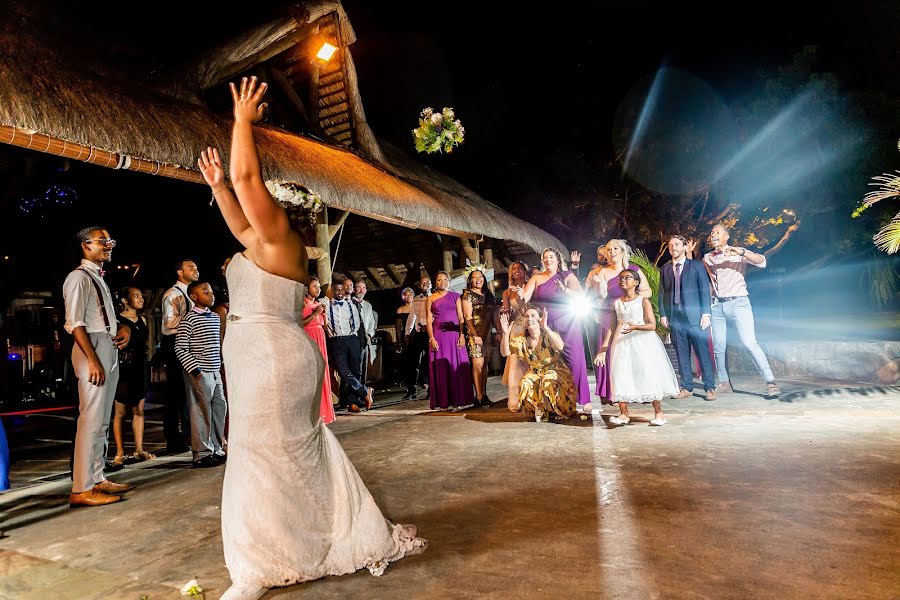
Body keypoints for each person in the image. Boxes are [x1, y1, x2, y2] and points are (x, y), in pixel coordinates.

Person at [198, 76, 424, 599]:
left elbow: (245, 171)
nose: (251, 204)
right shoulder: (267, 241)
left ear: (279, 209)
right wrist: (218, 189)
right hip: (273, 358)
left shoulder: (279, 237)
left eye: (261, 199)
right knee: (281, 453)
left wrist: (242, 123)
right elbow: (238, 213)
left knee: (264, 455)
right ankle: (304, 539)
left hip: (274, 363)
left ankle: (265, 559)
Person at [63, 227, 134, 507]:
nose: (108, 245)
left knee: (102, 420)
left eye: (110, 241)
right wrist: (92, 358)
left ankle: (96, 477)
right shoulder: (78, 278)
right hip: (89, 347)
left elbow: (104, 316)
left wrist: (123, 328)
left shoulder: (98, 277)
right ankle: (81, 488)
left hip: (106, 345)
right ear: (85, 245)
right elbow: (75, 323)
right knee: (90, 420)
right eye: (102, 241)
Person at [703, 224, 780, 397]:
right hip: (717, 305)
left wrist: (742, 252)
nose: (713, 234)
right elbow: (711, 282)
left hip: (738, 303)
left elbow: (762, 262)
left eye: (717, 232)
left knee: (749, 342)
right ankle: (724, 382)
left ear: (726, 236)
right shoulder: (707, 257)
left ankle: (771, 382)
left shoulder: (738, 252)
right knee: (718, 346)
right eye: (712, 232)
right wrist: (707, 308)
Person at [595, 269, 678, 426]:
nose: (623, 280)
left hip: (642, 342)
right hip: (621, 343)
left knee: (646, 373)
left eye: (628, 277)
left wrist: (635, 327)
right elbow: (611, 328)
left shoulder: (643, 301)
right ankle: (624, 414)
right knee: (620, 373)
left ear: (636, 282)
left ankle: (659, 413)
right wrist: (603, 349)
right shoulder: (616, 303)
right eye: (621, 278)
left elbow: (652, 325)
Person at [585, 239, 651, 408]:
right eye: (609, 249)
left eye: (615, 248)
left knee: (636, 353)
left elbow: (648, 291)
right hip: (610, 316)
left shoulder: (634, 270)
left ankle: (641, 389)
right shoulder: (603, 272)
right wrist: (599, 284)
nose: (612, 251)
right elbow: (601, 295)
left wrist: (631, 299)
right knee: (611, 354)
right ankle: (614, 392)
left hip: (632, 316)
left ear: (622, 251)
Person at [523, 248, 590, 409]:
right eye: (545, 258)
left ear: (558, 259)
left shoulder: (566, 276)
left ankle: (583, 398)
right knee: (552, 361)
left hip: (568, 322)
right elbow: (524, 298)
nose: (548, 260)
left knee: (574, 359)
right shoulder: (536, 278)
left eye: (551, 257)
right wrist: (520, 294)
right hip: (547, 323)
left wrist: (565, 290)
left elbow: (580, 295)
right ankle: (558, 399)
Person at [175, 281, 228, 468]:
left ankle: (216, 447)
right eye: (205, 292)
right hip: (200, 372)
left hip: (215, 371)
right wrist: (195, 370)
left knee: (219, 409)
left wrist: (220, 364)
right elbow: (180, 347)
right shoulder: (189, 319)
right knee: (200, 412)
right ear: (194, 297)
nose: (211, 294)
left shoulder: (214, 317)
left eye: (211, 291)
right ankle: (201, 453)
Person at [659, 235, 717, 400]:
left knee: (702, 352)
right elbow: (662, 292)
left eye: (677, 244)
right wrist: (663, 314)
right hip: (676, 318)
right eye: (670, 245)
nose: (673, 248)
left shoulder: (697, 266)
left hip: (695, 317)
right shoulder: (666, 269)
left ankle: (710, 387)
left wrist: (706, 313)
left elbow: (704, 290)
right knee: (681, 354)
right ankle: (686, 387)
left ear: (685, 247)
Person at [499, 306, 576, 421]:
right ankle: (540, 409)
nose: (529, 318)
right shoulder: (522, 340)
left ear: (540, 319)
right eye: (527, 316)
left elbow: (560, 346)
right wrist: (505, 334)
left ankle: (559, 409)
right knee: (525, 382)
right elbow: (505, 353)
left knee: (548, 380)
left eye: (533, 316)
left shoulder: (547, 334)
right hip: (535, 372)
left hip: (555, 370)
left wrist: (545, 327)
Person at [112, 286, 155, 466]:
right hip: (123, 369)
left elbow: (147, 344)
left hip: (140, 367)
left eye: (141, 295)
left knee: (139, 411)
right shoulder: (117, 321)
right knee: (120, 413)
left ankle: (139, 449)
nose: (141, 299)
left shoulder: (144, 320)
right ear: (124, 301)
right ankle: (120, 452)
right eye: (135, 296)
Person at [160, 259, 200, 454]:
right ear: (179, 272)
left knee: (187, 393)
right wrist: (192, 320)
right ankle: (172, 438)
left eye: (196, 267)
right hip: (175, 342)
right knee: (175, 394)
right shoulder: (173, 294)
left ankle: (187, 433)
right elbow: (169, 324)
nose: (195, 270)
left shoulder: (191, 293)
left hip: (189, 343)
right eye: (190, 268)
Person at [425, 271, 474, 410]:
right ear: (436, 282)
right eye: (439, 280)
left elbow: (461, 317)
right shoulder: (431, 298)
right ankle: (443, 402)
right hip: (438, 335)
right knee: (441, 368)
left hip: (454, 335)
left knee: (456, 367)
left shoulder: (456, 296)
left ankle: (457, 400)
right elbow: (429, 320)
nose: (442, 282)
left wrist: (462, 335)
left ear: (449, 281)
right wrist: (431, 338)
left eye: (445, 280)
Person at [324, 280, 373, 413]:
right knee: (343, 371)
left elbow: (356, 322)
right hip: (337, 341)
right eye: (337, 290)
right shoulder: (327, 305)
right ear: (332, 291)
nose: (339, 292)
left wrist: (351, 334)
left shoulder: (350, 304)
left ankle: (353, 402)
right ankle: (364, 391)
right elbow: (326, 321)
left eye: (341, 290)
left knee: (355, 371)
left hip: (351, 339)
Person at [461, 269, 496, 407]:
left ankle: (484, 394)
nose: (478, 279)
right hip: (474, 333)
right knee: (477, 365)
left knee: (485, 365)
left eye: (480, 276)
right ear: (470, 280)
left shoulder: (488, 294)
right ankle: (479, 396)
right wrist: (475, 335)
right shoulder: (467, 295)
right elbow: (467, 317)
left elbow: (493, 313)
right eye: (474, 277)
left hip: (487, 333)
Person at [302, 276, 334, 424]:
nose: (318, 289)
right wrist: (314, 313)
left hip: (320, 337)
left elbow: (324, 326)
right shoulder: (301, 303)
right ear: (307, 288)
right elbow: (299, 323)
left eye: (319, 286)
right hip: (309, 338)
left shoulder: (317, 303)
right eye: (314, 286)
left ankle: (324, 412)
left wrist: (324, 314)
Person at [499, 262, 529, 411]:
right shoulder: (507, 292)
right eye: (513, 269)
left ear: (525, 271)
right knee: (516, 364)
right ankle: (516, 400)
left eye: (519, 269)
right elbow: (506, 312)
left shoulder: (530, 286)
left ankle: (531, 397)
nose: (516, 271)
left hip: (529, 327)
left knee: (529, 362)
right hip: (515, 329)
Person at [395, 287, 418, 400]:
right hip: (407, 338)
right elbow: (398, 328)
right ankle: (411, 389)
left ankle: (427, 387)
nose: (408, 296)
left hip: (418, 336)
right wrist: (399, 341)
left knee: (421, 363)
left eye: (410, 294)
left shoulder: (418, 307)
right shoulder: (400, 310)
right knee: (409, 364)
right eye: (405, 294)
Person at [354, 280, 377, 388]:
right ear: (354, 289)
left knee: (364, 367)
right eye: (359, 287)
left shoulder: (367, 305)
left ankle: (362, 391)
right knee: (355, 367)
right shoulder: (349, 302)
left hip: (365, 339)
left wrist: (369, 334)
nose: (361, 290)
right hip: (353, 339)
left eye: (363, 287)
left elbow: (372, 322)